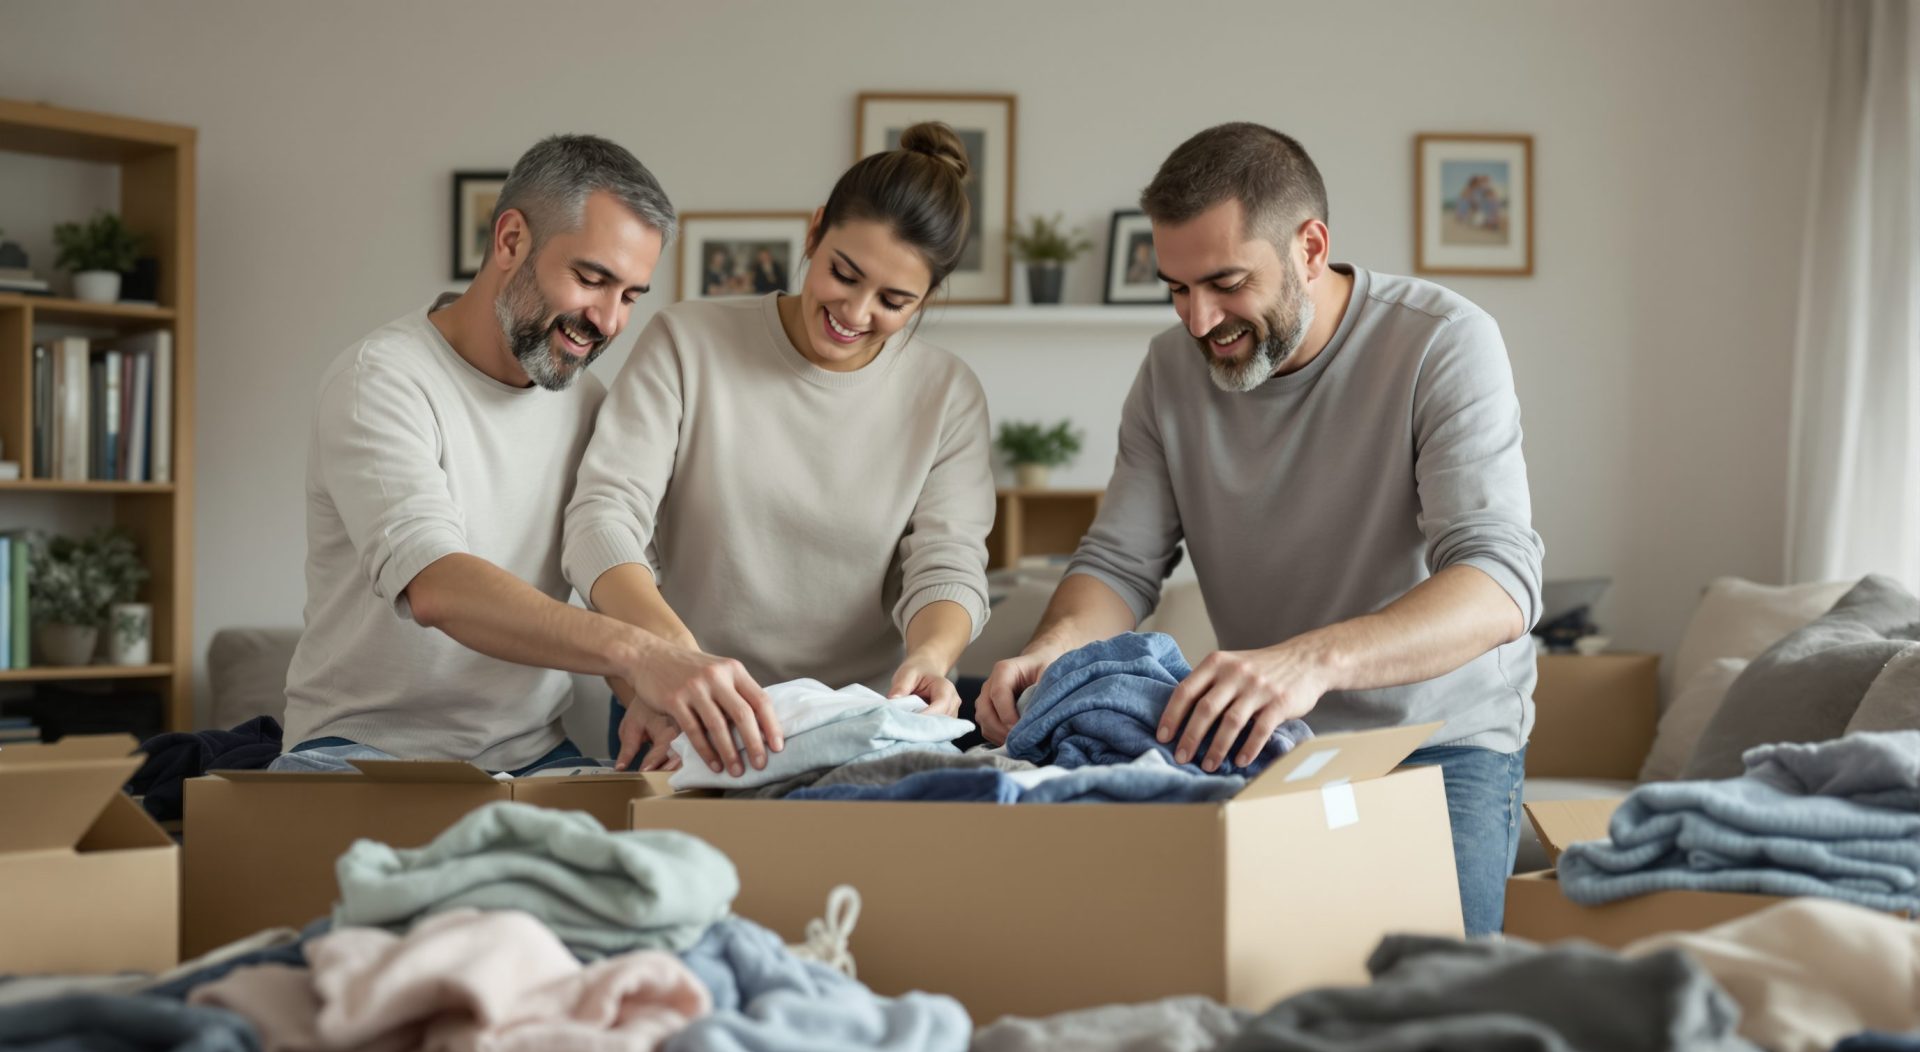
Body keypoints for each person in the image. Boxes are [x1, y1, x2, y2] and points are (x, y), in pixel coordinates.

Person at [975, 122, 1544, 935]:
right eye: (1175, 289)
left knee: (1431, 1009)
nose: (1200, 321)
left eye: (1227, 283)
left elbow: (1499, 582)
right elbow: (1119, 564)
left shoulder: (1442, 342)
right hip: (1268, 746)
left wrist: (1310, 661)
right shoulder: (1169, 373)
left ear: (1311, 248)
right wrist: (1049, 651)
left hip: (1440, 745)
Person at [275, 134, 781, 779]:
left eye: (629, 295)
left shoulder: (594, 408)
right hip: (359, 752)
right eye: (592, 279)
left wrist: (651, 701)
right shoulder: (380, 379)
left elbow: (608, 585)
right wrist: (637, 655)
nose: (609, 320)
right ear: (511, 240)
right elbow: (437, 585)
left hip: (533, 755)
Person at [565, 122, 994, 772]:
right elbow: (603, 520)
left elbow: (946, 560)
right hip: (683, 711)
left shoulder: (946, 394)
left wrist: (931, 659)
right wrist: (670, 657)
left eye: (894, 300)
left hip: (858, 724)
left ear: (928, 298)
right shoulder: (688, 343)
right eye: (843, 274)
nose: (855, 311)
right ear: (814, 231)